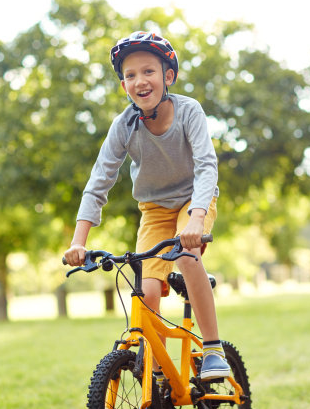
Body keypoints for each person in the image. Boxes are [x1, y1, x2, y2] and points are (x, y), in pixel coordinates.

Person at [63, 30, 230, 381]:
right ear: (124, 84)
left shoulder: (189, 112)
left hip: (193, 200)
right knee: (146, 288)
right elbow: (98, 183)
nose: (140, 80)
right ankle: (157, 372)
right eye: (130, 75)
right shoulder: (123, 126)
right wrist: (79, 241)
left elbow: (206, 166)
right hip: (154, 209)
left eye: (149, 71)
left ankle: (213, 348)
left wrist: (196, 219)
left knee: (187, 255)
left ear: (168, 76)